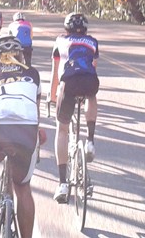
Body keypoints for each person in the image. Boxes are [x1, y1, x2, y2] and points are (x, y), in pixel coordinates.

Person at [0, 35, 45, 238]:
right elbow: (34, 111)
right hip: (25, 131)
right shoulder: (33, 73)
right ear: (19, 54)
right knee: (22, 187)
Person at [50, 12, 99, 203]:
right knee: (91, 95)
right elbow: (92, 67)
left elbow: (56, 72)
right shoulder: (92, 42)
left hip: (68, 83)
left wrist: (52, 97)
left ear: (66, 28)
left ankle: (63, 183)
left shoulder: (60, 41)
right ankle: (90, 140)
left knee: (62, 130)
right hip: (89, 81)